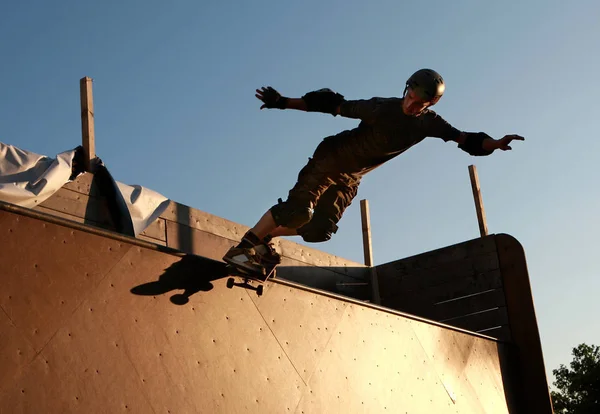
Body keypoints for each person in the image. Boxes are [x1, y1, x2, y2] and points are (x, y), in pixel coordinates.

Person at [222, 68, 524, 275]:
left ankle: (263, 242)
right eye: (409, 97)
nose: (410, 105)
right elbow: (334, 105)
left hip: (350, 178)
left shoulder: (431, 123)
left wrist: (494, 143)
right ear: (405, 89)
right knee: (299, 212)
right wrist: (283, 102)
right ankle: (245, 246)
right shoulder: (381, 107)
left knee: (319, 230)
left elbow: (465, 139)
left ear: (429, 104)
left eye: (419, 104)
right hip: (331, 158)